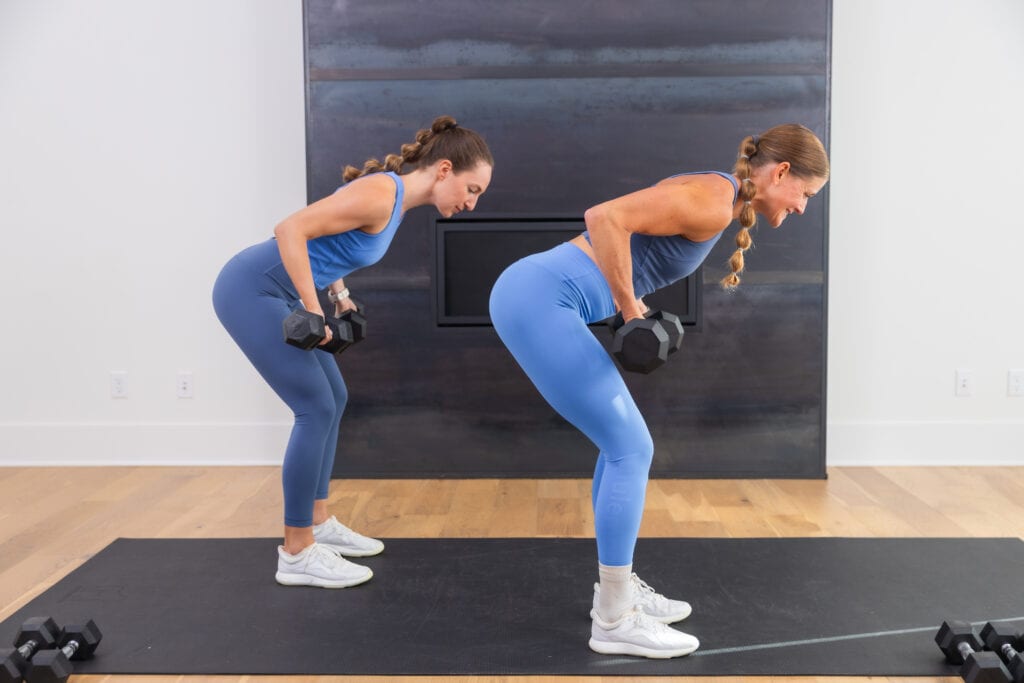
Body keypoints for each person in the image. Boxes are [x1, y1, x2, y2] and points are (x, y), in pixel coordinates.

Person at [489, 124, 829, 658]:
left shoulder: (719, 193)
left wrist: (624, 303)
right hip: (539, 300)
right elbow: (604, 217)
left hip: (537, 296)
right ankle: (615, 619)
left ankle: (616, 591)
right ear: (781, 172)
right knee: (632, 448)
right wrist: (631, 310)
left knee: (619, 446)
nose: (805, 207)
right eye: (806, 194)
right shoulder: (714, 199)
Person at [213, 116, 493, 588]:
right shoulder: (383, 194)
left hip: (275, 292)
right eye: (472, 189)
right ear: (445, 169)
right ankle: (297, 551)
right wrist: (311, 308)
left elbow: (327, 241)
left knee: (334, 399)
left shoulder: (394, 201)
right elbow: (289, 230)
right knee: (314, 407)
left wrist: (339, 294)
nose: (471, 202)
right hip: (251, 290)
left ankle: (318, 522)